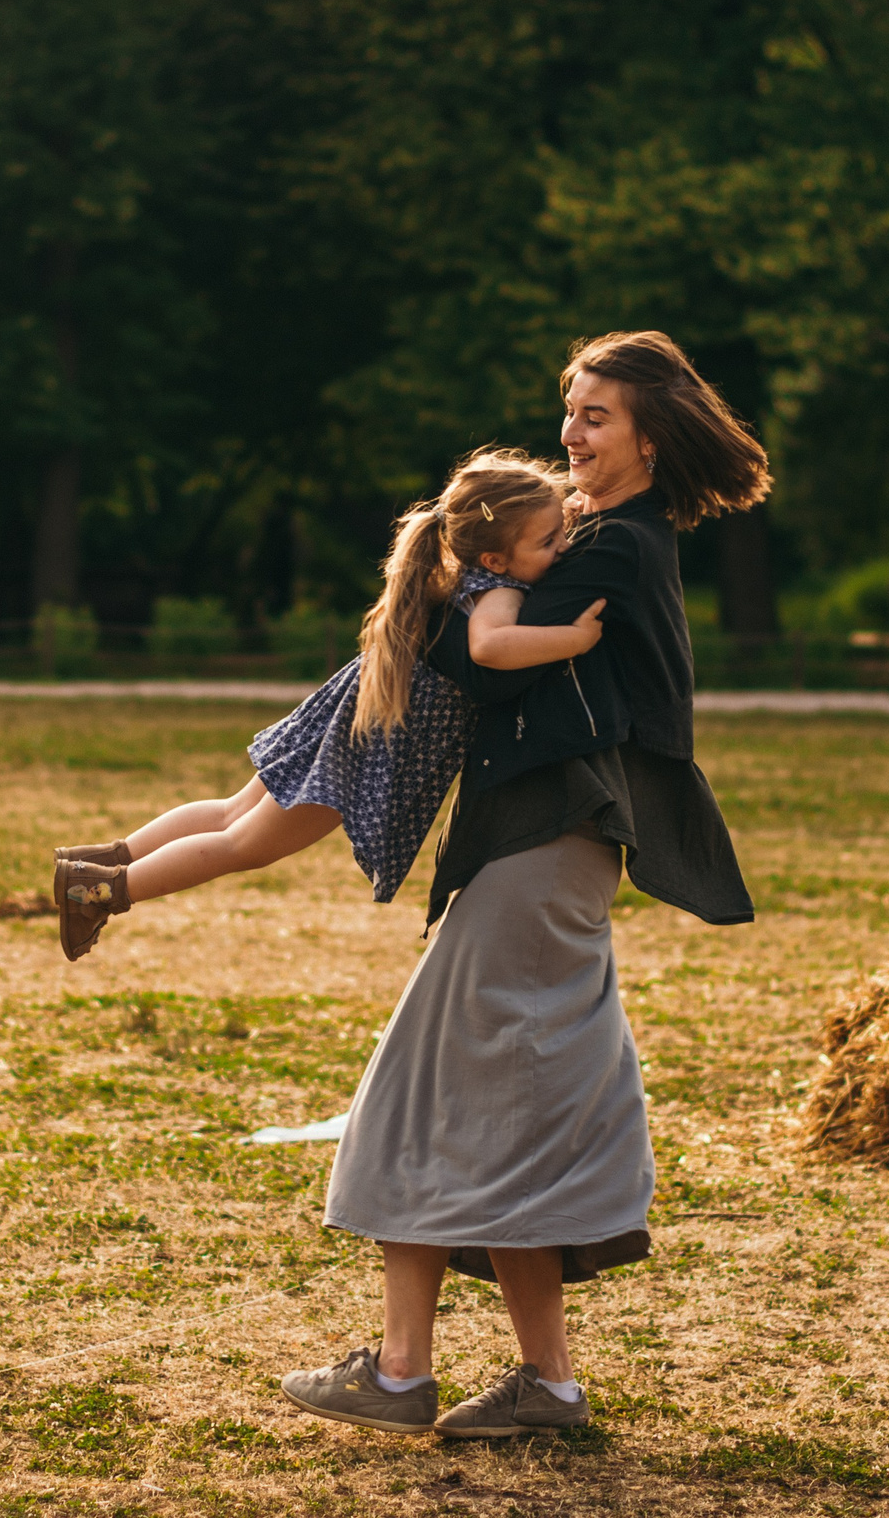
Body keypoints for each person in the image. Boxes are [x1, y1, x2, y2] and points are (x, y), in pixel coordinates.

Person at [277, 330, 765, 1439]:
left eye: (595, 416)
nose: (571, 433)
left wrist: (459, 573)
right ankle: (543, 1385)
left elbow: (469, 653)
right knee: (504, 1109)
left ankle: (403, 1374)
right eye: (569, 410)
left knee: (424, 1097)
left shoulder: (612, 551)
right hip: (539, 848)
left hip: (543, 846)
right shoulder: (609, 539)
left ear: (649, 433)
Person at [50, 449, 606, 958]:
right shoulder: (500, 589)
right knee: (245, 843)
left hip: (361, 709)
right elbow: (489, 646)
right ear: (496, 555)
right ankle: (96, 890)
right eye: (550, 540)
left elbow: (519, 546)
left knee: (230, 812)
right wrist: (574, 641)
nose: (562, 547)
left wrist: (576, 506)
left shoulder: (475, 563)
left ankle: (104, 859)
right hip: (373, 742)